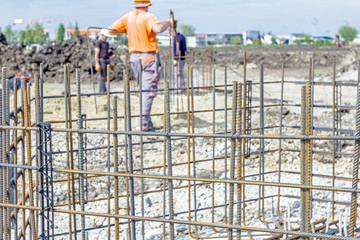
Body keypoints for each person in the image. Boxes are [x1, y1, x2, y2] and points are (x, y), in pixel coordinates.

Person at [109, 0, 170, 131]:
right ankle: (143, 124)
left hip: (134, 58)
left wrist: (128, 31)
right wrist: (169, 23)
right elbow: (158, 28)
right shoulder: (148, 17)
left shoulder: (128, 17)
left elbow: (112, 30)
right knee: (148, 92)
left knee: (142, 90)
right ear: (147, 5)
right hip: (148, 57)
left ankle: (145, 120)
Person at [173, 20, 187, 90]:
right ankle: (182, 86)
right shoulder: (182, 37)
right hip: (182, 57)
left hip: (178, 59)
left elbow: (177, 50)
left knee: (178, 74)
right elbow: (185, 49)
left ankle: (179, 88)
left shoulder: (177, 39)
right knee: (181, 73)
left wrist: (175, 59)